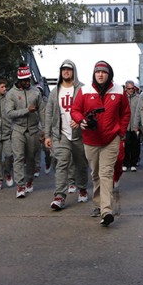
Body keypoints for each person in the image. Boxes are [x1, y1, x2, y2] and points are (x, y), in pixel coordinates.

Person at [71, 60, 130, 227]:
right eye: (97, 72)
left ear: (109, 74)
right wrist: (81, 120)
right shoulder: (84, 91)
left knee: (106, 173)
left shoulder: (119, 90)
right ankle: (97, 203)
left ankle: (106, 210)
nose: (100, 74)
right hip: (90, 139)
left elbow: (126, 112)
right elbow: (75, 110)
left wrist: (121, 132)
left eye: (104, 72)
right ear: (94, 74)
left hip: (111, 139)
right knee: (96, 173)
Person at [44, 59, 89, 210]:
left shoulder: (82, 89)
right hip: (60, 134)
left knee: (81, 164)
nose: (66, 72)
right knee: (61, 162)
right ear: (60, 72)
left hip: (79, 134)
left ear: (73, 71)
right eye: (63, 69)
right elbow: (48, 113)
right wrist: (47, 135)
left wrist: (80, 119)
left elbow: (89, 109)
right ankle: (59, 196)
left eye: (69, 69)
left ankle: (82, 188)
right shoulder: (54, 91)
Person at [7, 64, 46, 198]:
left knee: (31, 157)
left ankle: (29, 180)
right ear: (19, 80)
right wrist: (26, 111)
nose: (27, 82)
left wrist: (45, 130)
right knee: (18, 157)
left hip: (33, 130)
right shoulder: (11, 94)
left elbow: (42, 111)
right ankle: (20, 186)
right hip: (18, 129)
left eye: (28, 79)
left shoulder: (36, 92)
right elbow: (9, 113)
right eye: (24, 80)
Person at [123, 80, 141, 171]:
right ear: (126, 89)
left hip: (135, 125)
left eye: (132, 88)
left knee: (135, 145)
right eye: (129, 88)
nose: (130, 90)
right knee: (126, 145)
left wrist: (138, 124)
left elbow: (141, 112)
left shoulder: (138, 98)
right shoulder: (122, 98)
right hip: (125, 126)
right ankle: (125, 163)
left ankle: (133, 163)